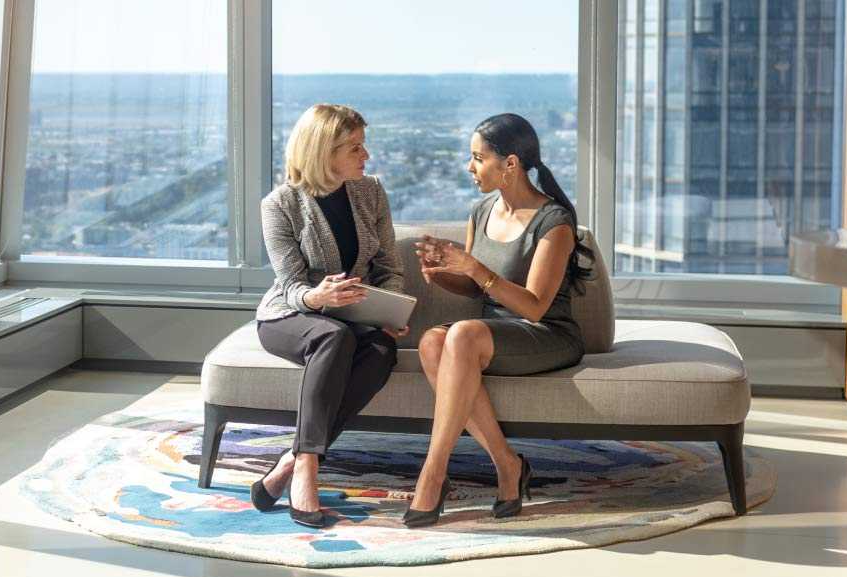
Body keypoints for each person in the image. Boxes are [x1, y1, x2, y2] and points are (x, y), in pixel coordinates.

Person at [404, 113, 595, 527]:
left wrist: (473, 267)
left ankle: (432, 473)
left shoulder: (554, 222)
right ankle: (508, 464)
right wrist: (444, 276)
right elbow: (476, 289)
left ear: (510, 163)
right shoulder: (481, 209)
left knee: (462, 335)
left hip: (547, 334)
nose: (469, 168)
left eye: (477, 158)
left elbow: (534, 307)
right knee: (433, 342)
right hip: (490, 335)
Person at [251, 104, 408, 528]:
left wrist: (389, 306)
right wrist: (319, 298)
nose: (366, 155)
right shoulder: (280, 204)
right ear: (324, 152)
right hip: (291, 316)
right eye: (355, 147)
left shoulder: (370, 192)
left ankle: (292, 458)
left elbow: (389, 267)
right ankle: (308, 470)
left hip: (353, 315)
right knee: (332, 338)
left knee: (379, 350)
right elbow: (291, 286)